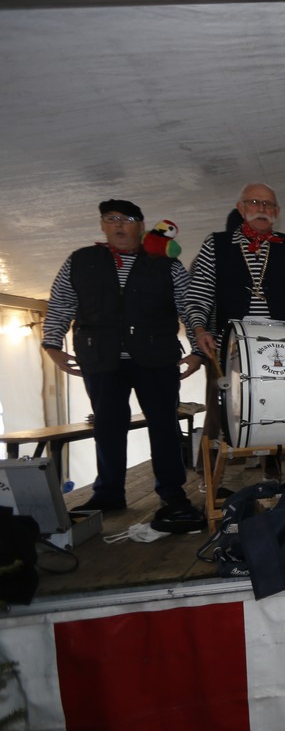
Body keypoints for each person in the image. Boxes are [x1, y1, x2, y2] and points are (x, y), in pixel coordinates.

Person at [42, 199, 204, 525]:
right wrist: (52, 345)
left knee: (164, 426)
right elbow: (61, 302)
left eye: (127, 219)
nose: (118, 224)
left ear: (141, 226)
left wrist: (198, 350)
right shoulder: (81, 260)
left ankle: (172, 492)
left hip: (155, 358)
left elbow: (190, 305)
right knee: (107, 427)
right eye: (111, 218)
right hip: (101, 359)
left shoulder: (166, 263)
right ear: (102, 225)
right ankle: (109, 493)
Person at [185, 182, 285, 449]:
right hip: (227, 347)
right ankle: (210, 469)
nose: (261, 209)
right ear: (241, 208)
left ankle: (274, 468)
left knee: (279, 411)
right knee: (221, 414)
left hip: (281, 348)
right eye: (254, 202)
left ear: (277, 211)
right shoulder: (215, 244)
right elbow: (198, 297)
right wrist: (199, 330)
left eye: (268, 204)